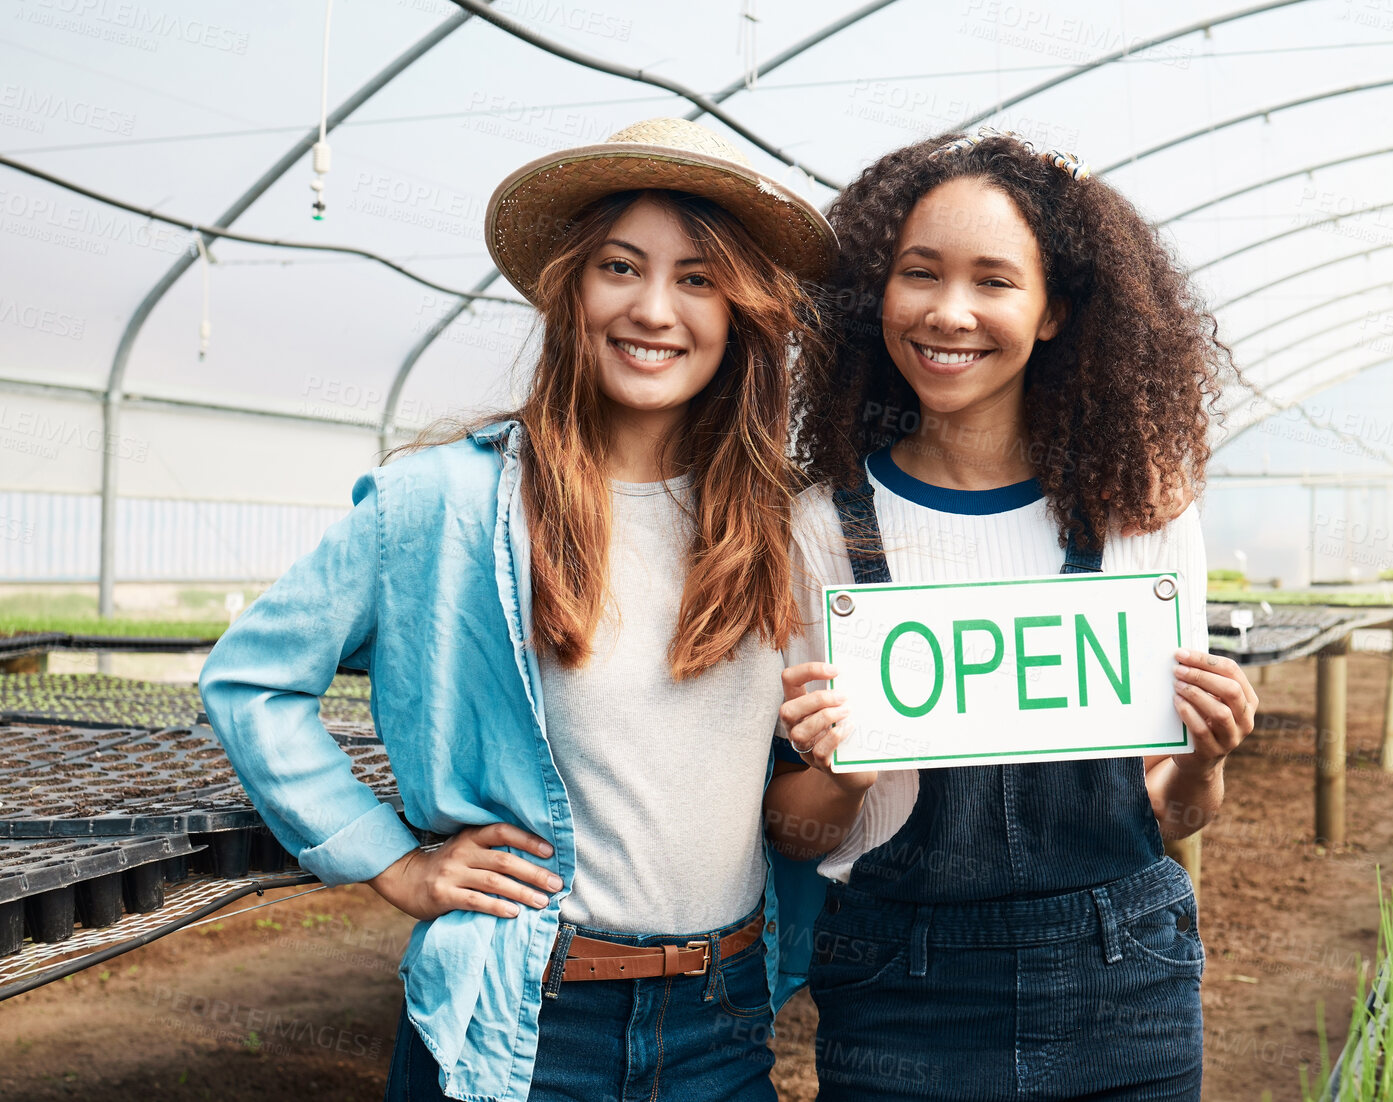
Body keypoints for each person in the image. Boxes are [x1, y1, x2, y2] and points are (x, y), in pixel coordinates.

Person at [200, 118, 835, 1102]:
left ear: (742, 310)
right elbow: (250, 680)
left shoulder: (778, 527)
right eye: (621, 266)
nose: (653, 308)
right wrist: (394, 862)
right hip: (525, 1023)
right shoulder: (447, 506)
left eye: (697, 277)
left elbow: (792, 781)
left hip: (724, 1024)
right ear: (571, 287)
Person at [764, 128, 1258, 1101]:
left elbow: (1175, 815)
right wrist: (832, 776)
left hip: (1126, 987)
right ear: (879, 296)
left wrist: (1205, 754)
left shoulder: (1142, 514)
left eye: (993, 280)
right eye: (920, 274)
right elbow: (793, 831)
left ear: (1052, 312)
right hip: (901, 992)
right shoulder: (820, 527)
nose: (949, 311)